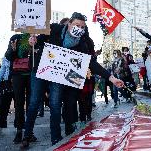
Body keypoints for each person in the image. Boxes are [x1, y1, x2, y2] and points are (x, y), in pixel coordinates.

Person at [21, 12, 124, 148]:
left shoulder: (82, 43)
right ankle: (27, 135)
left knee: (56, 105)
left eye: (82, 27)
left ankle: (56, 140)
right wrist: (32, 40)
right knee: (34, 102)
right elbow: (37, 41)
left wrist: (111, 78)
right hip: (39, 70)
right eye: (76, 25)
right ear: (69, 24)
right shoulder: (54, 29)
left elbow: (91, 63)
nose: (79, 28)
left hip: (58, 76)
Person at [5, 33, 32, 144]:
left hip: (32, 75)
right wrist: (13, 49)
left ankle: (29, 131)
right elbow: (8, 56)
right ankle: (19, 130)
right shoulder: (15, 38)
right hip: (17, 74)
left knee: (32, 104)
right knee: (19, 103)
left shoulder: (38, 36)